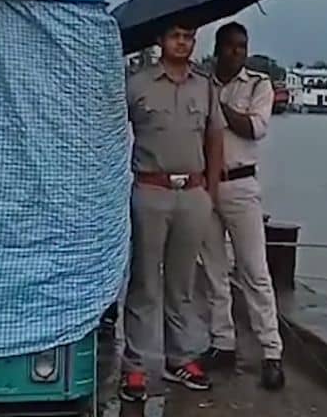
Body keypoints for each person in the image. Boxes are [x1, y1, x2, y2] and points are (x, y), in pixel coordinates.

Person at [119, 23, 226, 402]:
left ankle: (180, 358)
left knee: (182, 285)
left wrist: (210, 192)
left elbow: (215, 137)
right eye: (175, 36)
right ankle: (134, 365)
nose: (183, 42)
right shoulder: (137, 84)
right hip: (150, 190)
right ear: (161, 41)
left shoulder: (205, 85)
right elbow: (112, 131)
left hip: (192, 193)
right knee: (145, 282)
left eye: (189, 37)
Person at [197, 21, 286, 390]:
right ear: (218, 49)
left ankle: (271, 351)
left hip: (241, 184)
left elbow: (254, 128)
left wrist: (217, 106)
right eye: (231, 46)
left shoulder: (258, 84)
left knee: (254, 270)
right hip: (205, 184)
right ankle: (223, 342)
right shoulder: (200, 83)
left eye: (243, 46)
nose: (238, 52)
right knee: (213, 269)